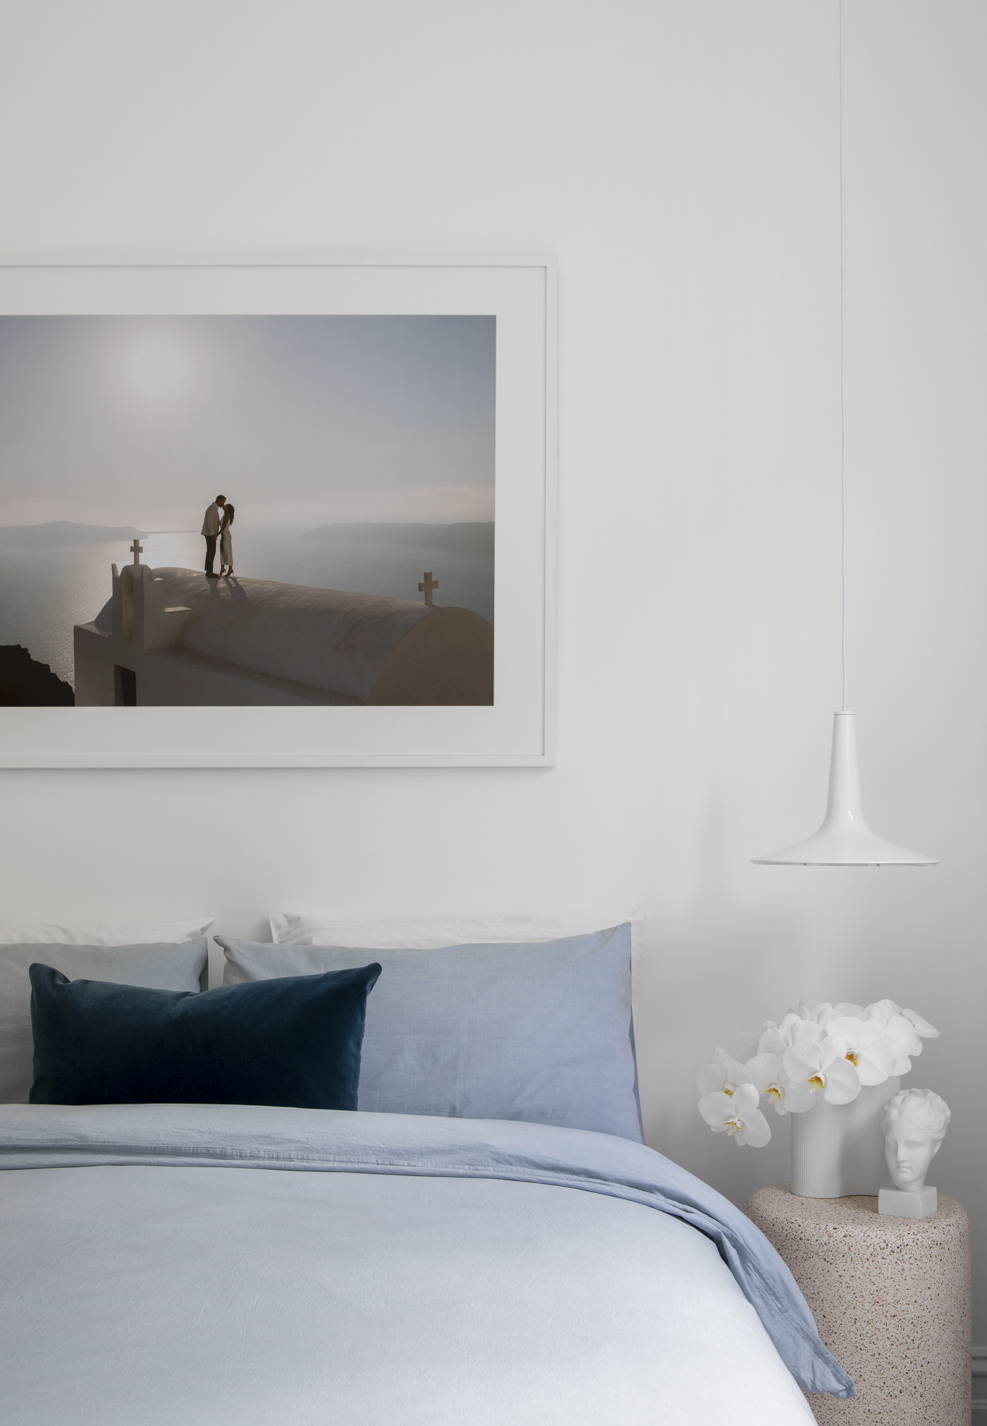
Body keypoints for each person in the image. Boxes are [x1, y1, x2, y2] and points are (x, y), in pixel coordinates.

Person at [201, 494, 226, 578]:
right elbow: (209, 522)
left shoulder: (214, 508)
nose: (223, 503)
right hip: (210, 534)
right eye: (223, 501)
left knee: (211, 552)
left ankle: (209, 571)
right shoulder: (212, 509)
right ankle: (209, 572)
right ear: (219, 500)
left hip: (210, 534)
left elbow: (215, 521)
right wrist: (213, 535)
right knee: (211, 552)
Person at [219, 501, 236, 577]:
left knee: (227, 552)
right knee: (222, 551)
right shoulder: (225, 515)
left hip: (226, 536)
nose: (224, 505)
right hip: (225, 535)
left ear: (228, 508)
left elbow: (223, 527)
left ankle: (230, 569)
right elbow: (221, 525)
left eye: (226, 506)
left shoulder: (226, 516)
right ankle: (223, 568)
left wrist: (218, 534)